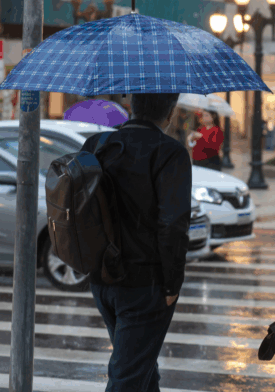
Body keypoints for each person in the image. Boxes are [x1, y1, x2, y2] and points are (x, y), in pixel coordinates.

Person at [81, 93, 192, 392]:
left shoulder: (98, 145)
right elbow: (173, 225)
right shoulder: (170, 152)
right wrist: (172, 284)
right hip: (145, 284)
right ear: (170, 113)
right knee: (128, 378)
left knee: (140, 367)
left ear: (131, 107)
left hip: (102, 277)